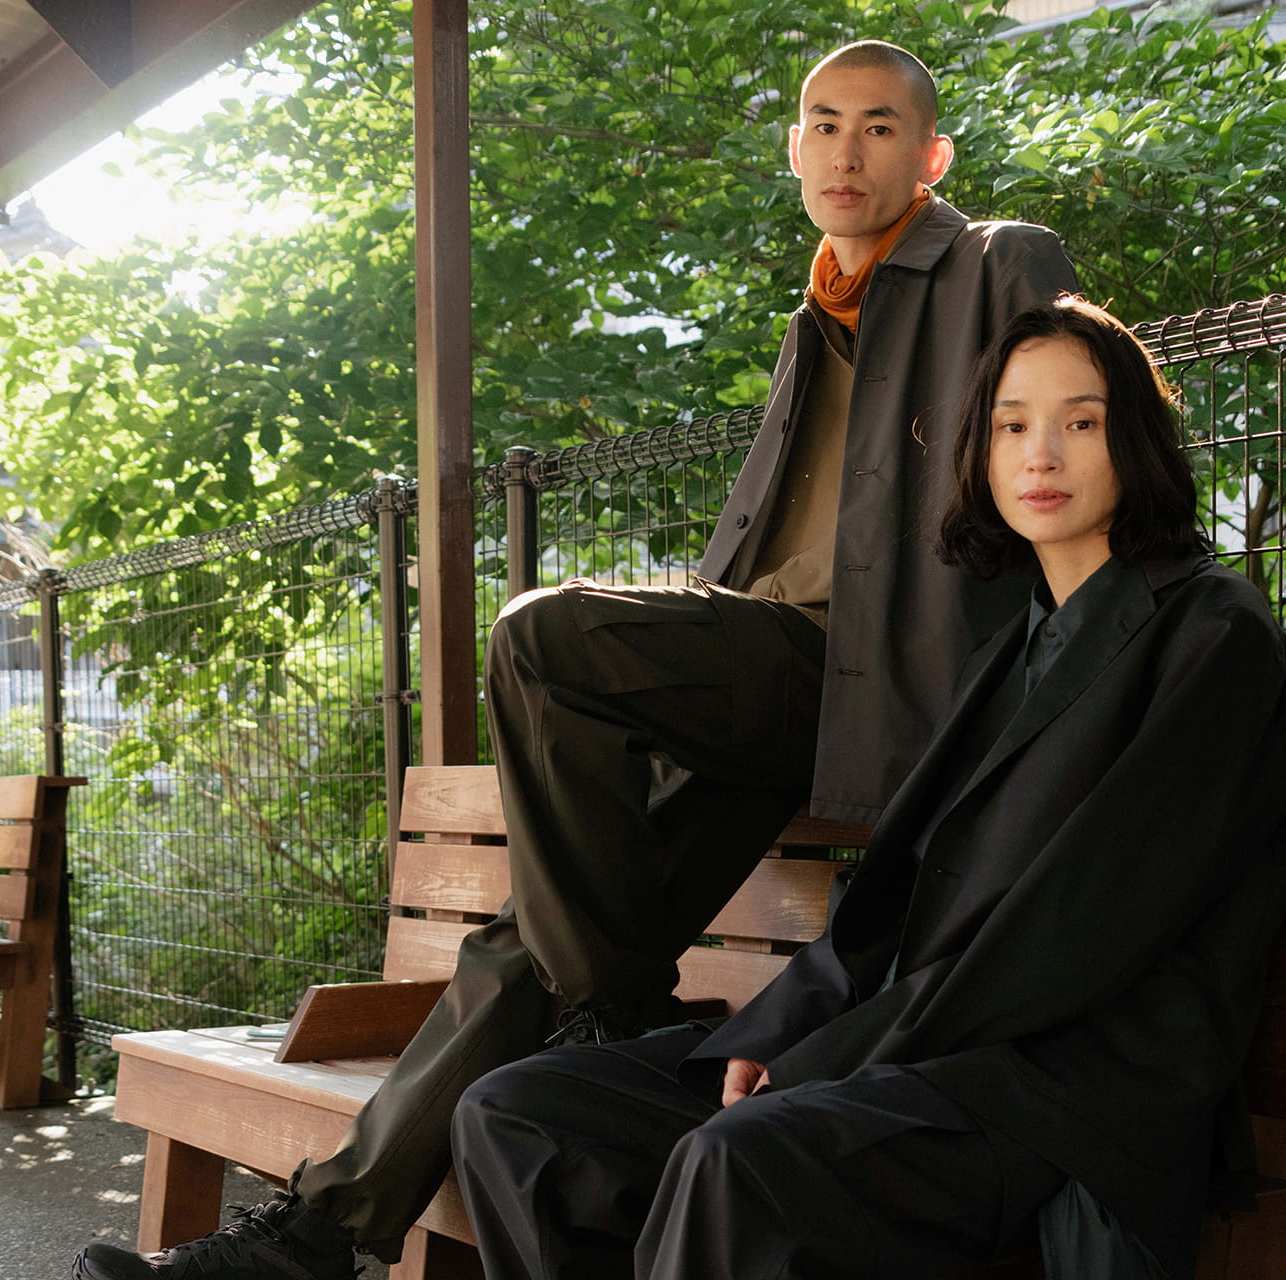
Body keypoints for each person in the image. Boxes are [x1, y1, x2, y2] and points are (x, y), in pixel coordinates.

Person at [75, 39, 1080, 1280]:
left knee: (544, 634)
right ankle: (312, 1239)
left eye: (879, 126)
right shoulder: (819, 312)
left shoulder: (995, 262)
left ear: (932, 155)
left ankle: (613, 1005)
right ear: (793, 149)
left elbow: (1064, 451)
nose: (846, 150)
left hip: (871, 680)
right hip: (771, 694)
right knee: (528, 945)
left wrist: (1054, 677)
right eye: (823, 124)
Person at [447, 297, 1286, 1280]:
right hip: (916, 1047)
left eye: (1081, 422)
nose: (1041, 454)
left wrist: (825, 1057)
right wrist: (781, 1031)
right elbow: (888, 900)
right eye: (1011, 426)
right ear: (980, 453)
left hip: (1055, 1087)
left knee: (738, 1160)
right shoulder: (1009, 651)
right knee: (520, 1114)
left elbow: (1074, 930)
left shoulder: (1212, 633)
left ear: (1138, 440)